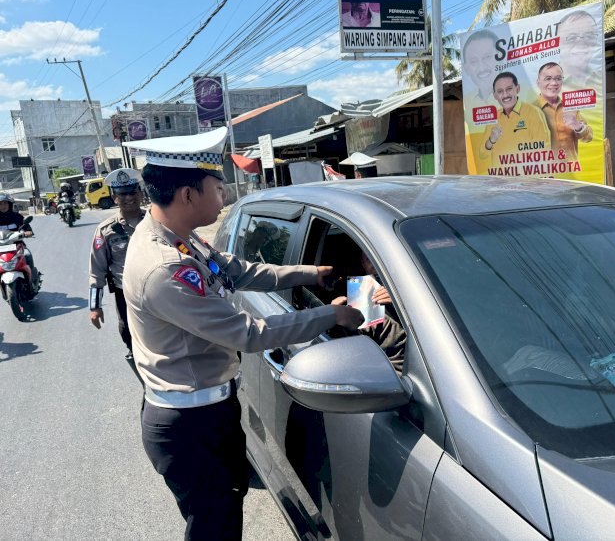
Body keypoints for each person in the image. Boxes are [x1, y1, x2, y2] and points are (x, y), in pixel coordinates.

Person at [121, 126, 364, 540]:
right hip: (190, 426)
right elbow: (248, 334)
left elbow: (238, 270)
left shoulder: (183, 240)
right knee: (215, 527)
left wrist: (312, 273)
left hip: (208, 409)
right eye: (218, 187)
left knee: (225, 513)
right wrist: (330, 317)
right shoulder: (165, 267)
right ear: (188, 195)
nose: (224, 197)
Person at [88, 168, 146, 385]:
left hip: (161, 291)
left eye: (132, 192)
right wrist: (95, 307)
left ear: (141, 193)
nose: (129, 198)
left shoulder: (158, 221)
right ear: (114, 197)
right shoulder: (106, 231)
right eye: (123, 194)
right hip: (126, 294)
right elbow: (97, 270)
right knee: (128, 333)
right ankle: (146, 382)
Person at [332, 251, 406, 374]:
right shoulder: (355, 295)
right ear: (363, 263)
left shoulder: (414, 289)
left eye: (379, 257)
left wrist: (402, 303)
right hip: (384, 373)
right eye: (369, 259)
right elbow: (349, 350)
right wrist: (333, 318)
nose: (375, 264)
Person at [479, 72, 551, 165]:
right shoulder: (493, 118)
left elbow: (545, 149)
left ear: (517, 89)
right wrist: (492, 140)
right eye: (500, 91)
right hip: (500, 178)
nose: (505, 95)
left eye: (509, 89)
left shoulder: (533, 112)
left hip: (526, 177)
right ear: (495, 95)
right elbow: (482, 154)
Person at [534, 62, 593, 162]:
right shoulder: (530, 110)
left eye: (558, 78)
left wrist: (578, 126)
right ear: (538, 83)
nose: (554, 83)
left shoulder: (570, 108)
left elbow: (588, 137)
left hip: (571, 172)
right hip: (543, 174)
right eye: (548, 78)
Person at [558, 10, 601, 90]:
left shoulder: (600, 80)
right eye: (572, 38)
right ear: (558, 44)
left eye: (589, 36)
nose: (581, 43)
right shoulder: (544, 87)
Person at [462, 29, 500, 116]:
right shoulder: (467, 103)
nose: (482, 68)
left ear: (500, 58)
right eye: (473, 61)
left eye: (487, 57)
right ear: (467, 69)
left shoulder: (527, 94)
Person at [0, 193, 36, 276]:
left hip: (17, 245)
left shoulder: (17, 216)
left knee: (27, 254)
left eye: (5, 203)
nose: (3, 206)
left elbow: (26, 226)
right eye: (0, 204)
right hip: (0, 246)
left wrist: (28, 231)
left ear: (9, 204)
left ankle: (33, 277)